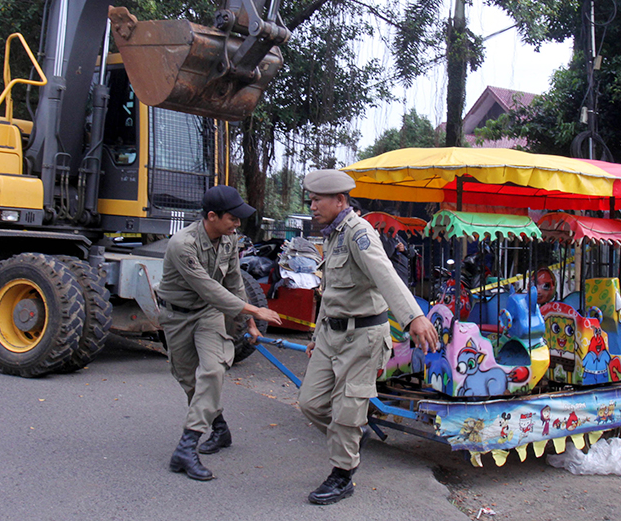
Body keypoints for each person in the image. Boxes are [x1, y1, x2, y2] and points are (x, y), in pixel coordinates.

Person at [298, 169, 439, 505]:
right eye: (312, 199)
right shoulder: (332, 234)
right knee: (311, 403)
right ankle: (349, 438)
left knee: (347, 409)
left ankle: (342, 475)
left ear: (340, 200)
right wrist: (317, 335)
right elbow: (329, 292)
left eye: (318, 200)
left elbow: (385, 274)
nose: (312, 206)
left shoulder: (360, 234)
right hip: (332, 335)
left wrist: (413, 317)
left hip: (363, 336)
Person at [157, 185, 282, 481]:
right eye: (233, 218)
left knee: (212, 371)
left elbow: (234, 281)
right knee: (188, 379)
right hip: (176, 315)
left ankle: (186, 448)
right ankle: (220, 428)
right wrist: (256, 311)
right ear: (212, 216)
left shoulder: (228, 240)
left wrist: (249, 322)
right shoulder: (182, 245)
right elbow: (209, 288)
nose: (237, 224)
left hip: (208, 315)